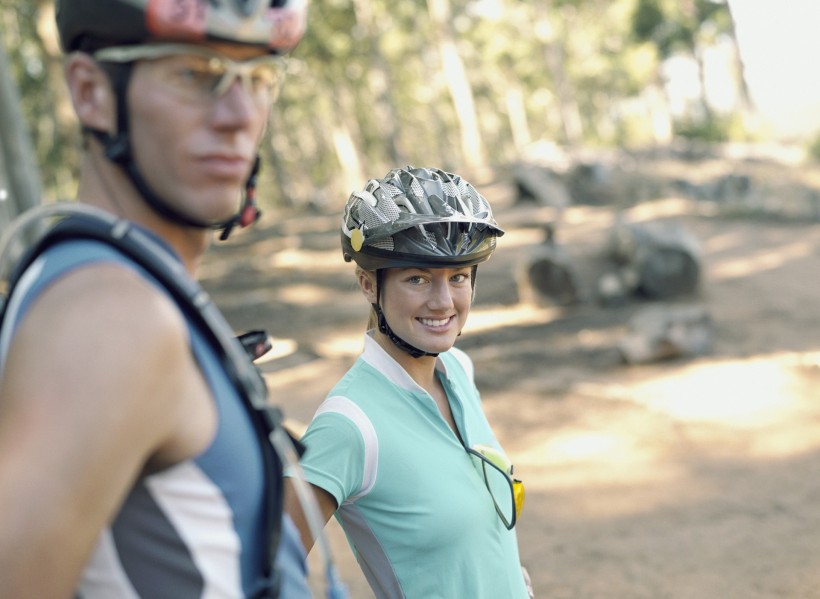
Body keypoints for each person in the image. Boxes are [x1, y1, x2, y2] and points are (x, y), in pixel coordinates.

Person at [0, 1, 315, 597]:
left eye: (259, 78)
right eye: (196, 74)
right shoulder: (110, 314)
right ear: (91, 93)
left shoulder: (132, 285)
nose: (240, 115)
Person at [285, 166, 534, 598]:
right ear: (368, 284)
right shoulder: (349, 424)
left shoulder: (457, 370)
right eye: (417, 278)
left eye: (457, 277)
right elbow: (257, 570)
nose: (443, 302)